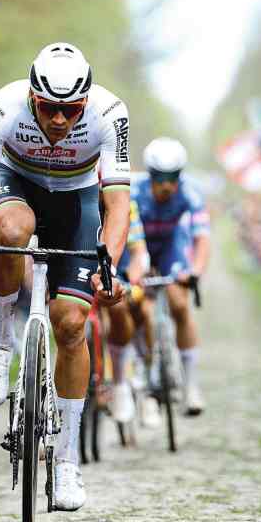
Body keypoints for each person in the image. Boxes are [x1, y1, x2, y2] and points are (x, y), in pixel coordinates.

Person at [0, 43, 129, 512]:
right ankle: (1, 343)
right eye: (49, 108)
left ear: (85, 103)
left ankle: (68, 460)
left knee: (71, 325)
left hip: (77, 200)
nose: (58, 121)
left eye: (70, 111)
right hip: (19, 185)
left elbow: (117, 205)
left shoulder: (110, 114)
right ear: (32, 98)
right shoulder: (1, 107)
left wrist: (109, 267)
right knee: (11, 230)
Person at [111, 138, 211, 419]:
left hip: (169, 246)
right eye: (160, 178)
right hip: (136, 247)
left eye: (173, 178)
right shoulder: (132, 190)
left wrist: (196, 271)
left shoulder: (192, 191)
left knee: (180, 304)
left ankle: (191, 386)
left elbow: (202, 237)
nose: (167, 185)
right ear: (150, 174)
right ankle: (140, 369)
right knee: (134, 306)